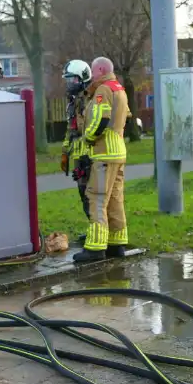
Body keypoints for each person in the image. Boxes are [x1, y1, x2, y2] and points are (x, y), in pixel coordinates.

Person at [73, 56, 129, 263]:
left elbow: (101, 120)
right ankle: (117, 244)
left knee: (96, 198)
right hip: (118, 152)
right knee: (115, 199)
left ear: (102, 70)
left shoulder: (103, 90)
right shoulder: (119, 89)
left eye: (94, 71)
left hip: (104, 153)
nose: (91, 75)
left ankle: (95, 248)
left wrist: (87, 138)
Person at [61, 59, 94, 228]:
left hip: (89, 156)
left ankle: (100, 231)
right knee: (83, 194)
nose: (69, 83)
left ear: (83, 78)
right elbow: (71, 130)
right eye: (67, 80)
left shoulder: (90, 101)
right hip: (78, 157)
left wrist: (88, 156)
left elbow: (90, 129)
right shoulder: (73, 102)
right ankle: (93, 228)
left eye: (72, 79)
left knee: (92, 195)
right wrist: (65, 152)